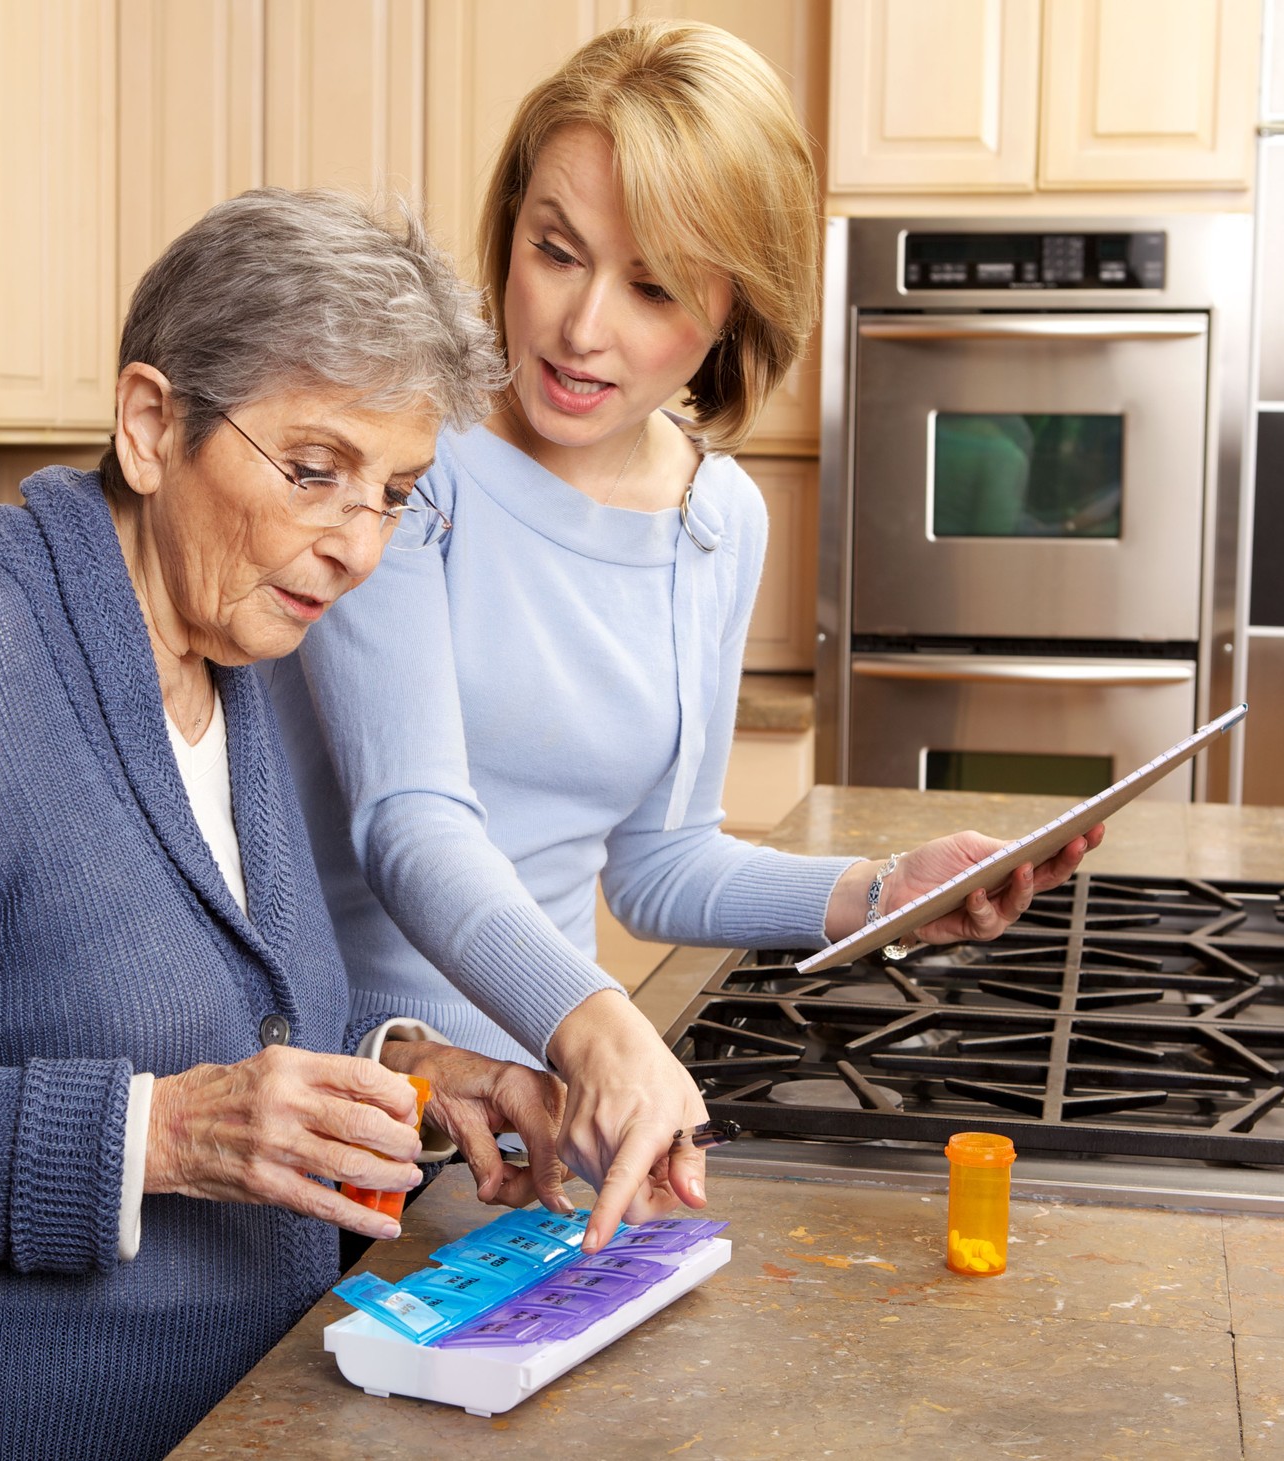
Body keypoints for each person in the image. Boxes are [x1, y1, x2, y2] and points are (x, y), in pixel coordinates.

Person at [0, 190, 554, 1461]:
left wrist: (414, 1081)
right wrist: (157, 1136)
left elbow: (195, 1023)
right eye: (314, 472)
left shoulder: (229, 650)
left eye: (395, 492)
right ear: (152, 425)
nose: (359, 545)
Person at [268, 19, 1101, 1256]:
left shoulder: (717, 521)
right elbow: (412, 825)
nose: (580, 323)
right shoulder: (410, 455)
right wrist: (598, 1024)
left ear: (731, 308)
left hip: (538, 1136)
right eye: (556, 251)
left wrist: (877, 895)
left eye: (653, 286)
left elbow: (657, 862)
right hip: (351, 1101)